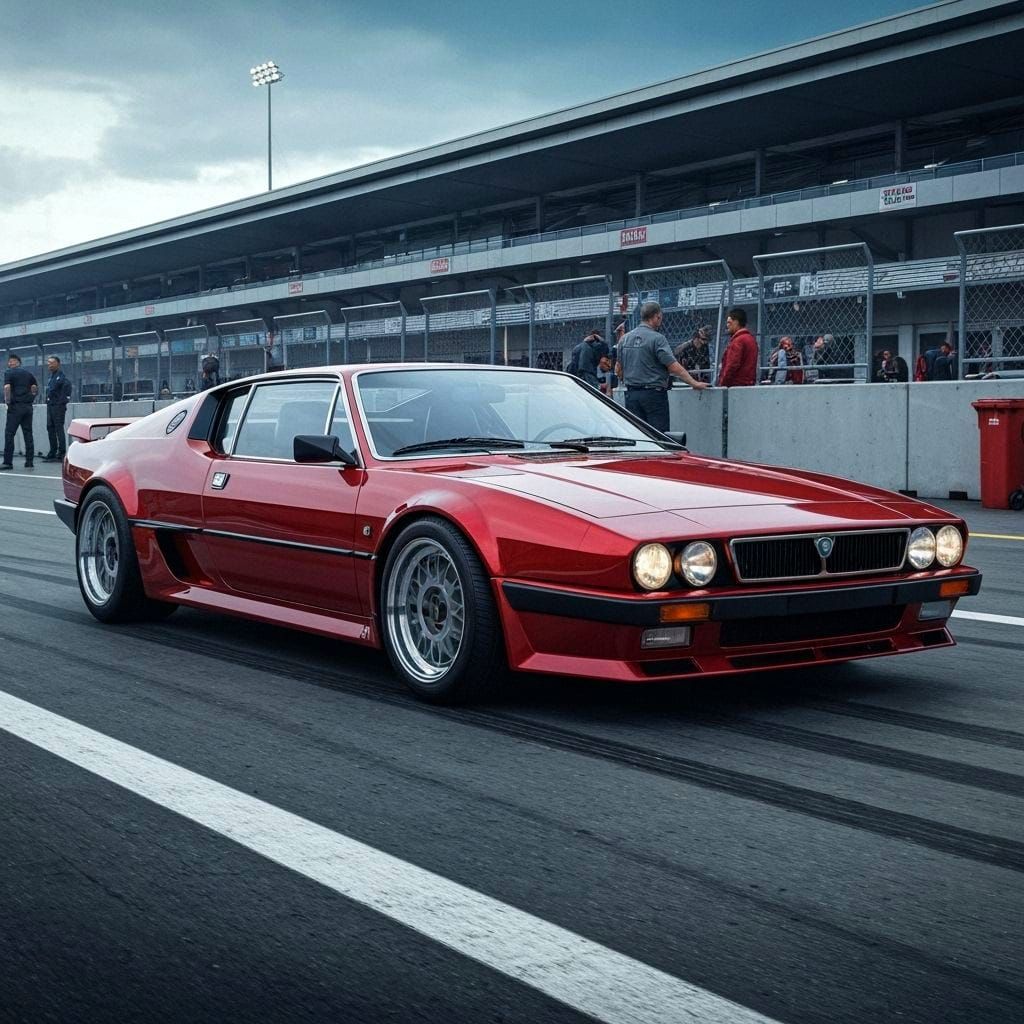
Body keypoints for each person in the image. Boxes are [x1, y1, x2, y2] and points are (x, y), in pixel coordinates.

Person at [615, 301, 708, 431]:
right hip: (654, 396)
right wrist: (694, 383)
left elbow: (618, 369)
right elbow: (673, 366)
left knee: (639, 434)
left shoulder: (624, 339)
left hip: (631, 395)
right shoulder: (657, 338)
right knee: (659, 436)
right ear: (657, 316)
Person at [2, 353, 39, 470]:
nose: (9, 363)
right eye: (9, 362)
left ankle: (8, 462)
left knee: (9, 434)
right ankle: (29, 462)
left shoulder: (9, 372)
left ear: (18, 362)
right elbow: (34, 388)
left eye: (12, 361)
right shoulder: (28, 374)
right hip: (28, 407)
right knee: (28, 434)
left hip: (15, 407)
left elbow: (7, 388)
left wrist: (8, 401)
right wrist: (31, 398)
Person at [41, 355, 73, 462]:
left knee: (59, 428)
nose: (49, 365)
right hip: (50, 406)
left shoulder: (62, 378)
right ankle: (52, 451)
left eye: (52, 363)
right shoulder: (51, 378)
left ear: (58, 364)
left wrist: (60, 404)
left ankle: (62, 452)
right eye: (48, 363)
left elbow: (66, 392)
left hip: (58, 407)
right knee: (50, 428)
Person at [718, 308, 758, 387]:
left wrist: (723, 383)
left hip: (735, 385)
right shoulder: (751, 339)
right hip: (748, 384)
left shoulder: (738, 341)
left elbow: (732, 365)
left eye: (729, 322)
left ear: (736, 322)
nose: (727, 325)